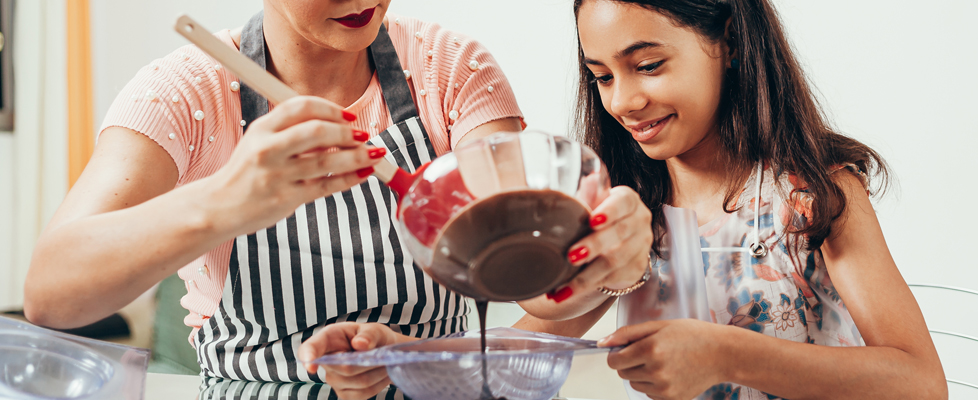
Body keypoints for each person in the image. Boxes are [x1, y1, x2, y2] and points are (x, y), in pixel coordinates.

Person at [23, 1, 652, 398]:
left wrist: (604, 259)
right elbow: (53, 294)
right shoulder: (184, 93)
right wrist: (224, 201)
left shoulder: (450, 70)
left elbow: (526, 276)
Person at [531, 0, 950, 399]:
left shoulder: (813, 195)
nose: (622, 101)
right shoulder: (629, 218)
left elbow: (920, 384)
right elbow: (522, 343)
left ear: (729, 43)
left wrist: (726, 356)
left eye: (648, 66)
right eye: (603, 77)